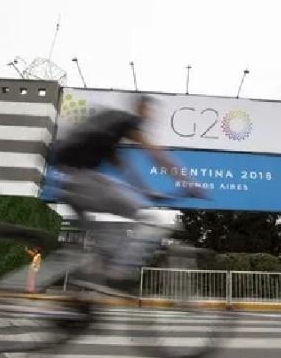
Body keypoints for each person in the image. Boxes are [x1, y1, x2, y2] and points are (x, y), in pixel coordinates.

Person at [51, 94, 202, 286]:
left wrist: (146, 191)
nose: (151, 118)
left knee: (105, 240)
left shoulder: (108, 131)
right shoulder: (128, 121)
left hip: (65, 185)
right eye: (150, 112)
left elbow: (125, 169)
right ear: (141, 108)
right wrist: (187, 183)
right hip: (83, 181)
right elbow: (158, 156)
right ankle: (118, 273)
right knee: (151, 220)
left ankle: (93, 270)